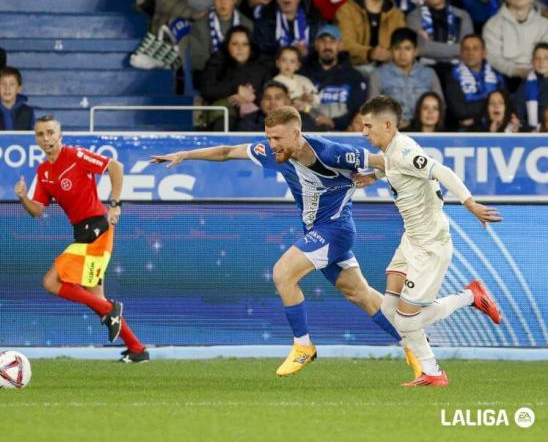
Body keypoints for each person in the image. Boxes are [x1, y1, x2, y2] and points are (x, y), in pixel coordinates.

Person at [151, 105, 422, 379]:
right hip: (318, 230)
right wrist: (185, 155)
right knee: (361, 295)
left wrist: (374, 176)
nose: (271, 145)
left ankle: (303, 346)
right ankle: (414, 345)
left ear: (296, 133)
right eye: (268, 138)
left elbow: (387, 161)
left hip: (336, 230)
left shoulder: (331, 153)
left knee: (283, 272)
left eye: (277, 139)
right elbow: (226, 152)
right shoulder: (272, 152)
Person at [354, 95, 503, 387]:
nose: (364, 132)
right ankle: (432, 372)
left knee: (407, 320)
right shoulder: (392, 150)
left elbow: (442, 171)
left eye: (368, 126)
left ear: (387, 125)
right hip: (412, 239)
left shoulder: (404, 151)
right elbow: (393, 167)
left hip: (430, 245)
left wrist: (470, 204)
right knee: (389, 310)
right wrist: (373, 176)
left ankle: (471, 296)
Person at [14, 116, 149, 363]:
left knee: (51, 282)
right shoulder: (43, 172)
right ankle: (137, 349)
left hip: (98, 229)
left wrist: (116, 204)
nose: (46, 139)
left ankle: (112, 310)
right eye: (41, 134)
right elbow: (37, 211)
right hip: (81, 233)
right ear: (36, 139)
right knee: (96, 301)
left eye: (50, 133)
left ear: (60, 134)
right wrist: (23, 197)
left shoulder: (76, 155)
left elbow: (115, 167)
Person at [199, 25, 274, 130]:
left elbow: (272, 95)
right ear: (227, 46)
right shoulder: (216, 62)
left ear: (251, 47)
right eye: (235, 44)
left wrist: (253, 98)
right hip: (224, 117)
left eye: (245, 44)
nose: (240, 48)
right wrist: (236, 88)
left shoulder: (262, 67)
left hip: (257, 117)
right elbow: (207, 90)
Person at [368, 27, 443, 129]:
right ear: (390, 50)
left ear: (416, 51)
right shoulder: (378, 74)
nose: (402, 54)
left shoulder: (429, 74)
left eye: (407, 48)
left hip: (423, 130)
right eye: (397, 48)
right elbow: (372, 109)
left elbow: (441, 106)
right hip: (392, 132)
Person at [299, 24, 368, 131]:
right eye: (323, 41)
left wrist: (334, 123)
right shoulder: (303, 73)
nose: (327, 46)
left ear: (340, 45)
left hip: (343, 133)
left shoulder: (355, 77)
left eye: (332, 41)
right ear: (316, 44)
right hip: (309, 131)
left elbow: (357, 110)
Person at [483, 0, 548, 91]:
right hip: (506, 80)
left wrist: (535, 71)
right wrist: (516, 71)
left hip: (541, 76)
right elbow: (492, 57)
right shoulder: (492, 25)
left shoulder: (545, 25)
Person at [406, 0, 473, 85]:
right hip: (424, 69)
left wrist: (430, 46)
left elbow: (467, 49)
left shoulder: (463, 16)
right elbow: (422, 48)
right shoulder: (413, 17)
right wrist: (457, 48)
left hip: (458, 70)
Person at [444, 34, 506, 131]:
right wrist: (490, 105)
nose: (470, 53)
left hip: (494, 127)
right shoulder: (452, 75)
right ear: (461, 53)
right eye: (466, 49)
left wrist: (475, 118)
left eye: (475, 48)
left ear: (484, 53)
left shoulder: (497, 76)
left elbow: (506, 106)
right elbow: (460, 111)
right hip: (464, 132)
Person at [189, 0, 253, 86]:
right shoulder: (199, 26)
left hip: (241, 77)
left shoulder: (247, 24)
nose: (223, 2)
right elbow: (198, 61)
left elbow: (251, 57)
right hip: (211, 79)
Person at [335, 0, 405, 74]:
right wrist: (369, 53)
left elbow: (403, 44)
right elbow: (345, 45)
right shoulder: (345, 11)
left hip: (388, 70)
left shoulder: (397, 15)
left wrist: (389, 54)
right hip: (354, 69)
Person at [236, 80, 320, 131]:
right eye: (267, 98)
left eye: (278, 98)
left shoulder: (302, 119)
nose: (272, 102)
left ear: (287, 100)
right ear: (261, 102)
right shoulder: (248, 121)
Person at [272, 45, 318, 113]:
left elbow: (315, 95)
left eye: (292, 61)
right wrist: (298, 99)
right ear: (277, 63)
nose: (288, 64)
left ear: (298, 66)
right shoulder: (275, 82)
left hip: (308, 112)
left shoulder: (304, 80)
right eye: (284, 60)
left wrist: (310, 98)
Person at [513, 42, 548, 131]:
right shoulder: (526, 85)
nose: (541, 62)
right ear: (532, 61)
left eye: (546, 58)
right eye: (537, 58)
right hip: (534, 134)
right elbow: (518, 114)